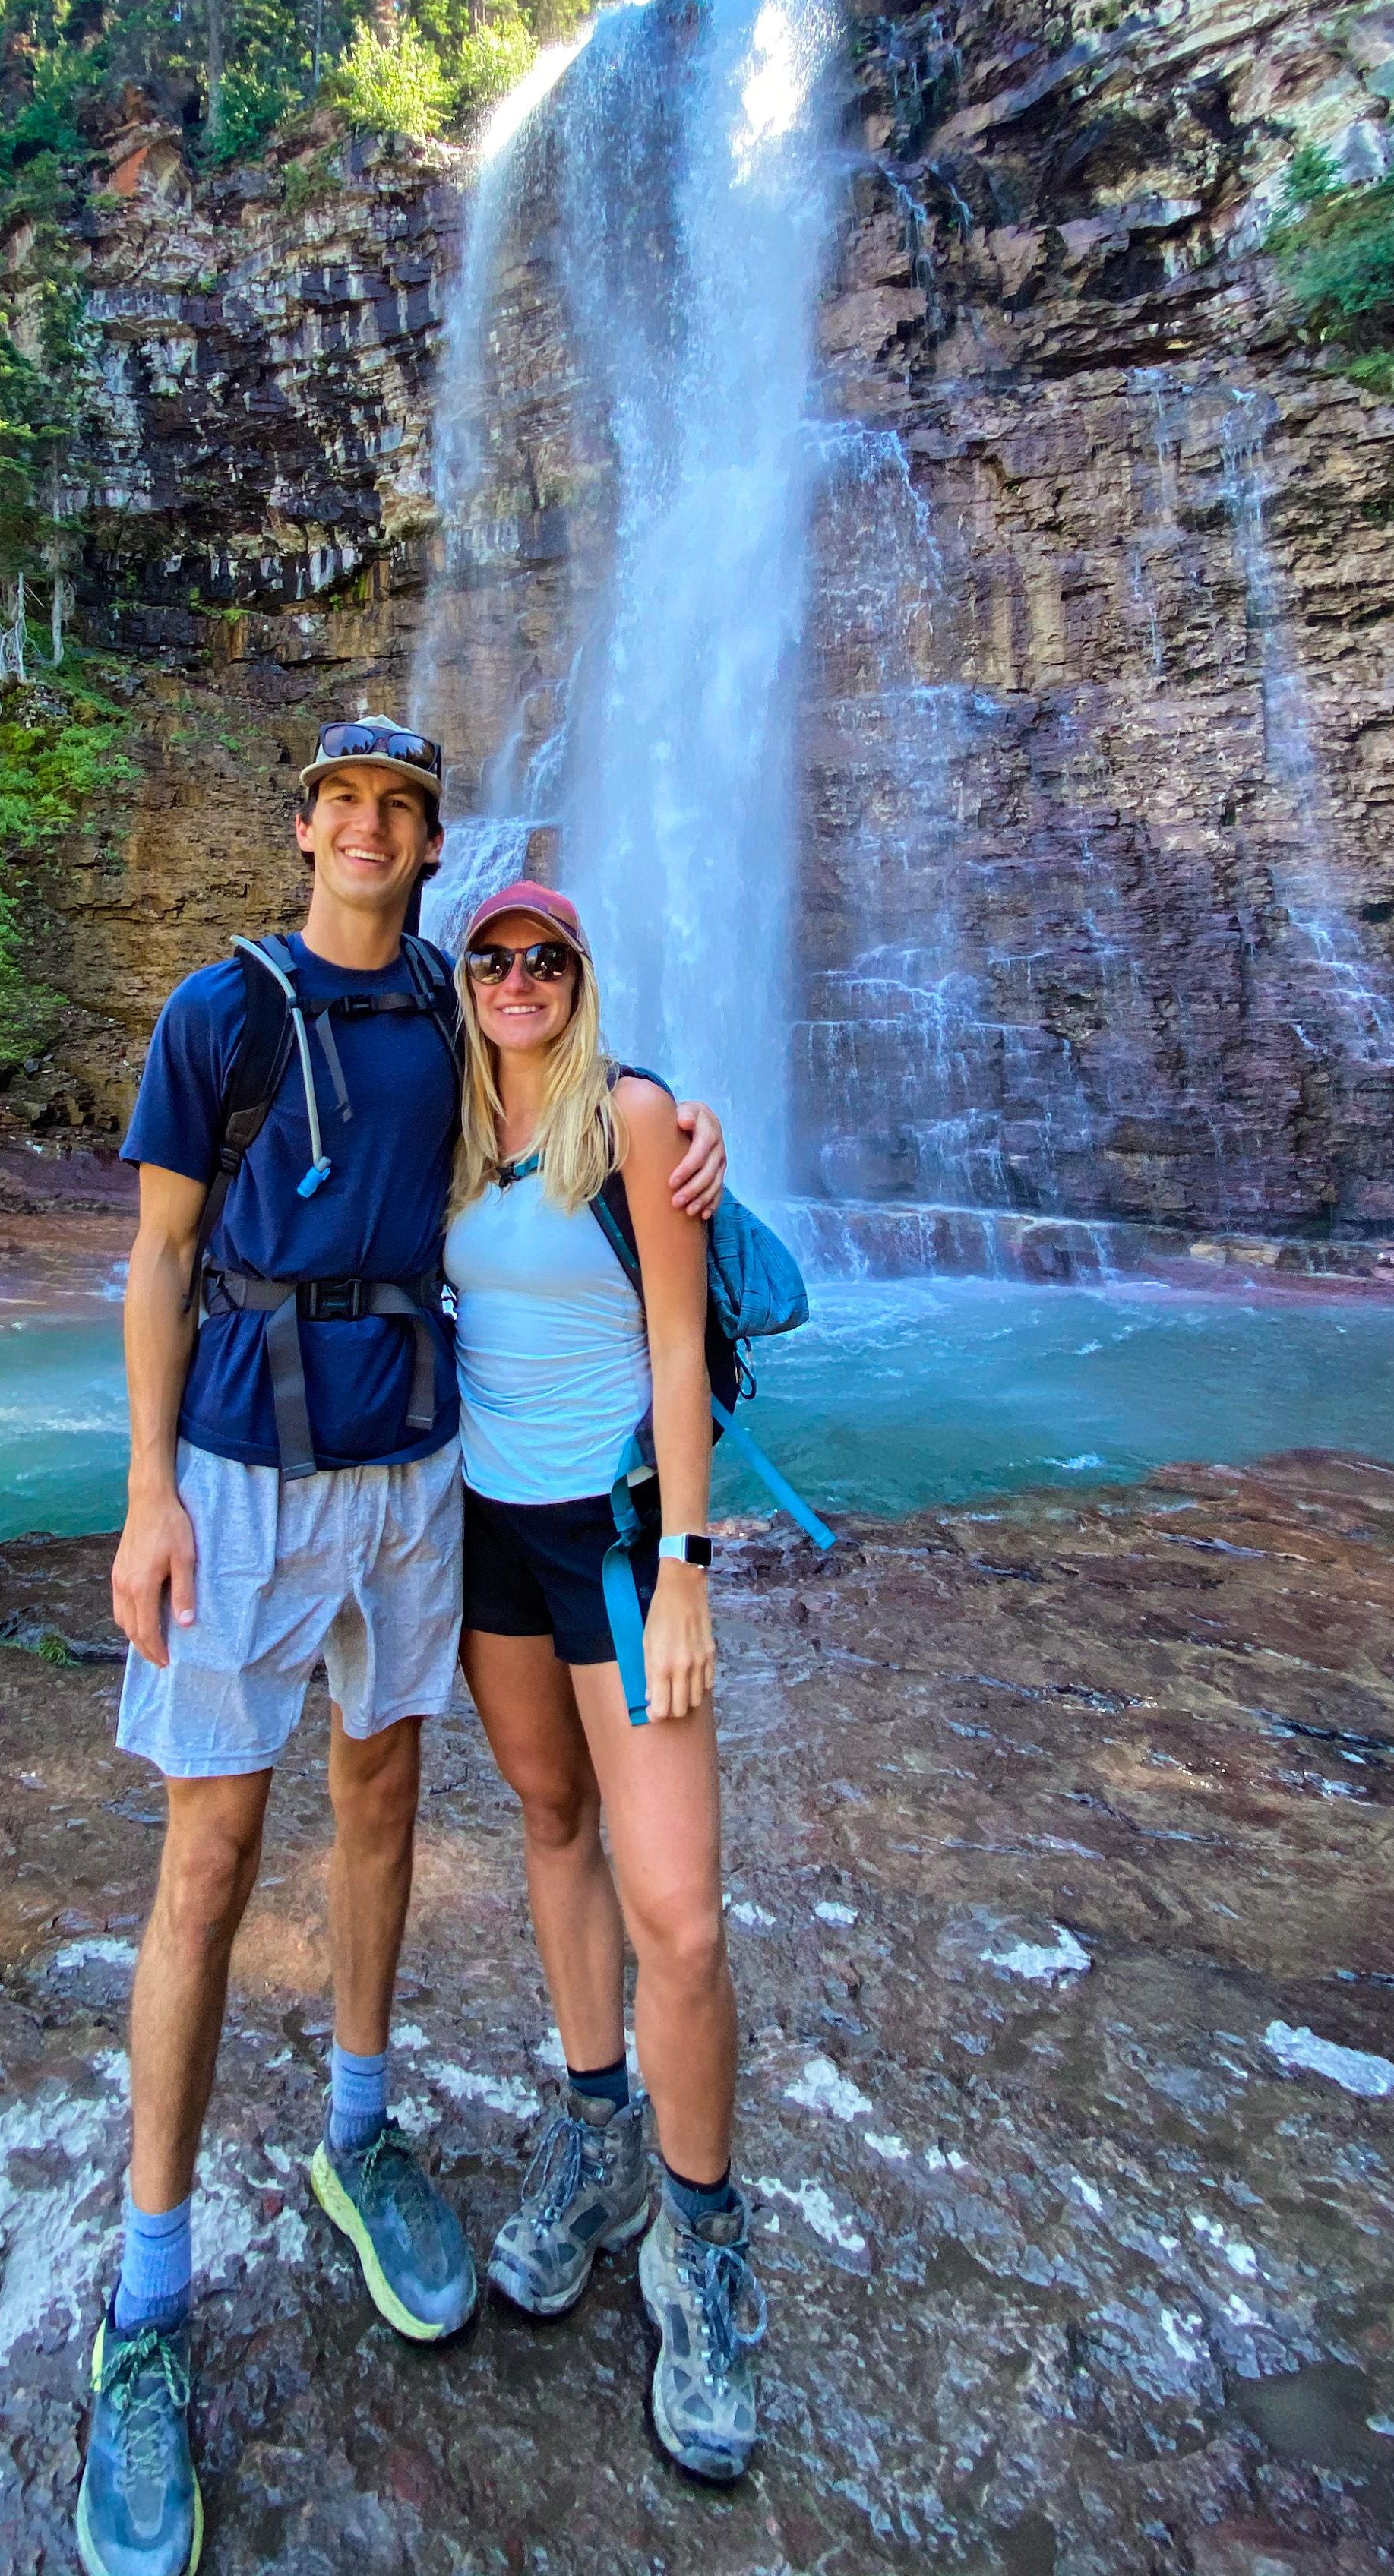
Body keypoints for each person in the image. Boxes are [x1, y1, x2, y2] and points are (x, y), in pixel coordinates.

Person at [75, 724, 727, 2576]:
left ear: (430, 850)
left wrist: (696, 1130)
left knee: (381, 1810)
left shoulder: (461, 1006)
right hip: (243, 1467)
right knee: (207, 1862)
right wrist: (147, 1493)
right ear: (303, 830)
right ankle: (147, 2299)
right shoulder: (217, 1015)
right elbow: (155, 1256)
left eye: (401, 814)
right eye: (344, 806)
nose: (370, 833)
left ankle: (359, 2134)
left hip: (416, 1470)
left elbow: (581, 1096)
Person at [443, 877, 769, 2483]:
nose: (517, 979)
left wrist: (692, 1564)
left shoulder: (633, 1116)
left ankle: (701, 2240)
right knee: (549, 1817)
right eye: (492, 958)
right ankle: (596, 2140)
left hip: (623, 1535)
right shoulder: (443, 1121)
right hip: (488, 1536)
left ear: (582, 976)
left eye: (544, 959)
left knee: (682, 1916)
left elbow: (672, 1346)